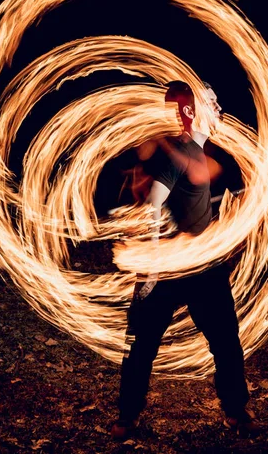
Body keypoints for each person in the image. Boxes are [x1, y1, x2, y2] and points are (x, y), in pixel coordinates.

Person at [111, 80, 259, 440]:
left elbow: (229, 194)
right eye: (210, 102)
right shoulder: (178, 152)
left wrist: (230, 234)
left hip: (203, 266)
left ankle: (236, 411)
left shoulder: (206, 151)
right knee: (143, 343)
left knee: (224, 341)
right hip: (167, 267)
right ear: (191, 112)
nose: (217, 108)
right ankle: (127, 416)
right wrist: (150, 265)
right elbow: (152, 205)